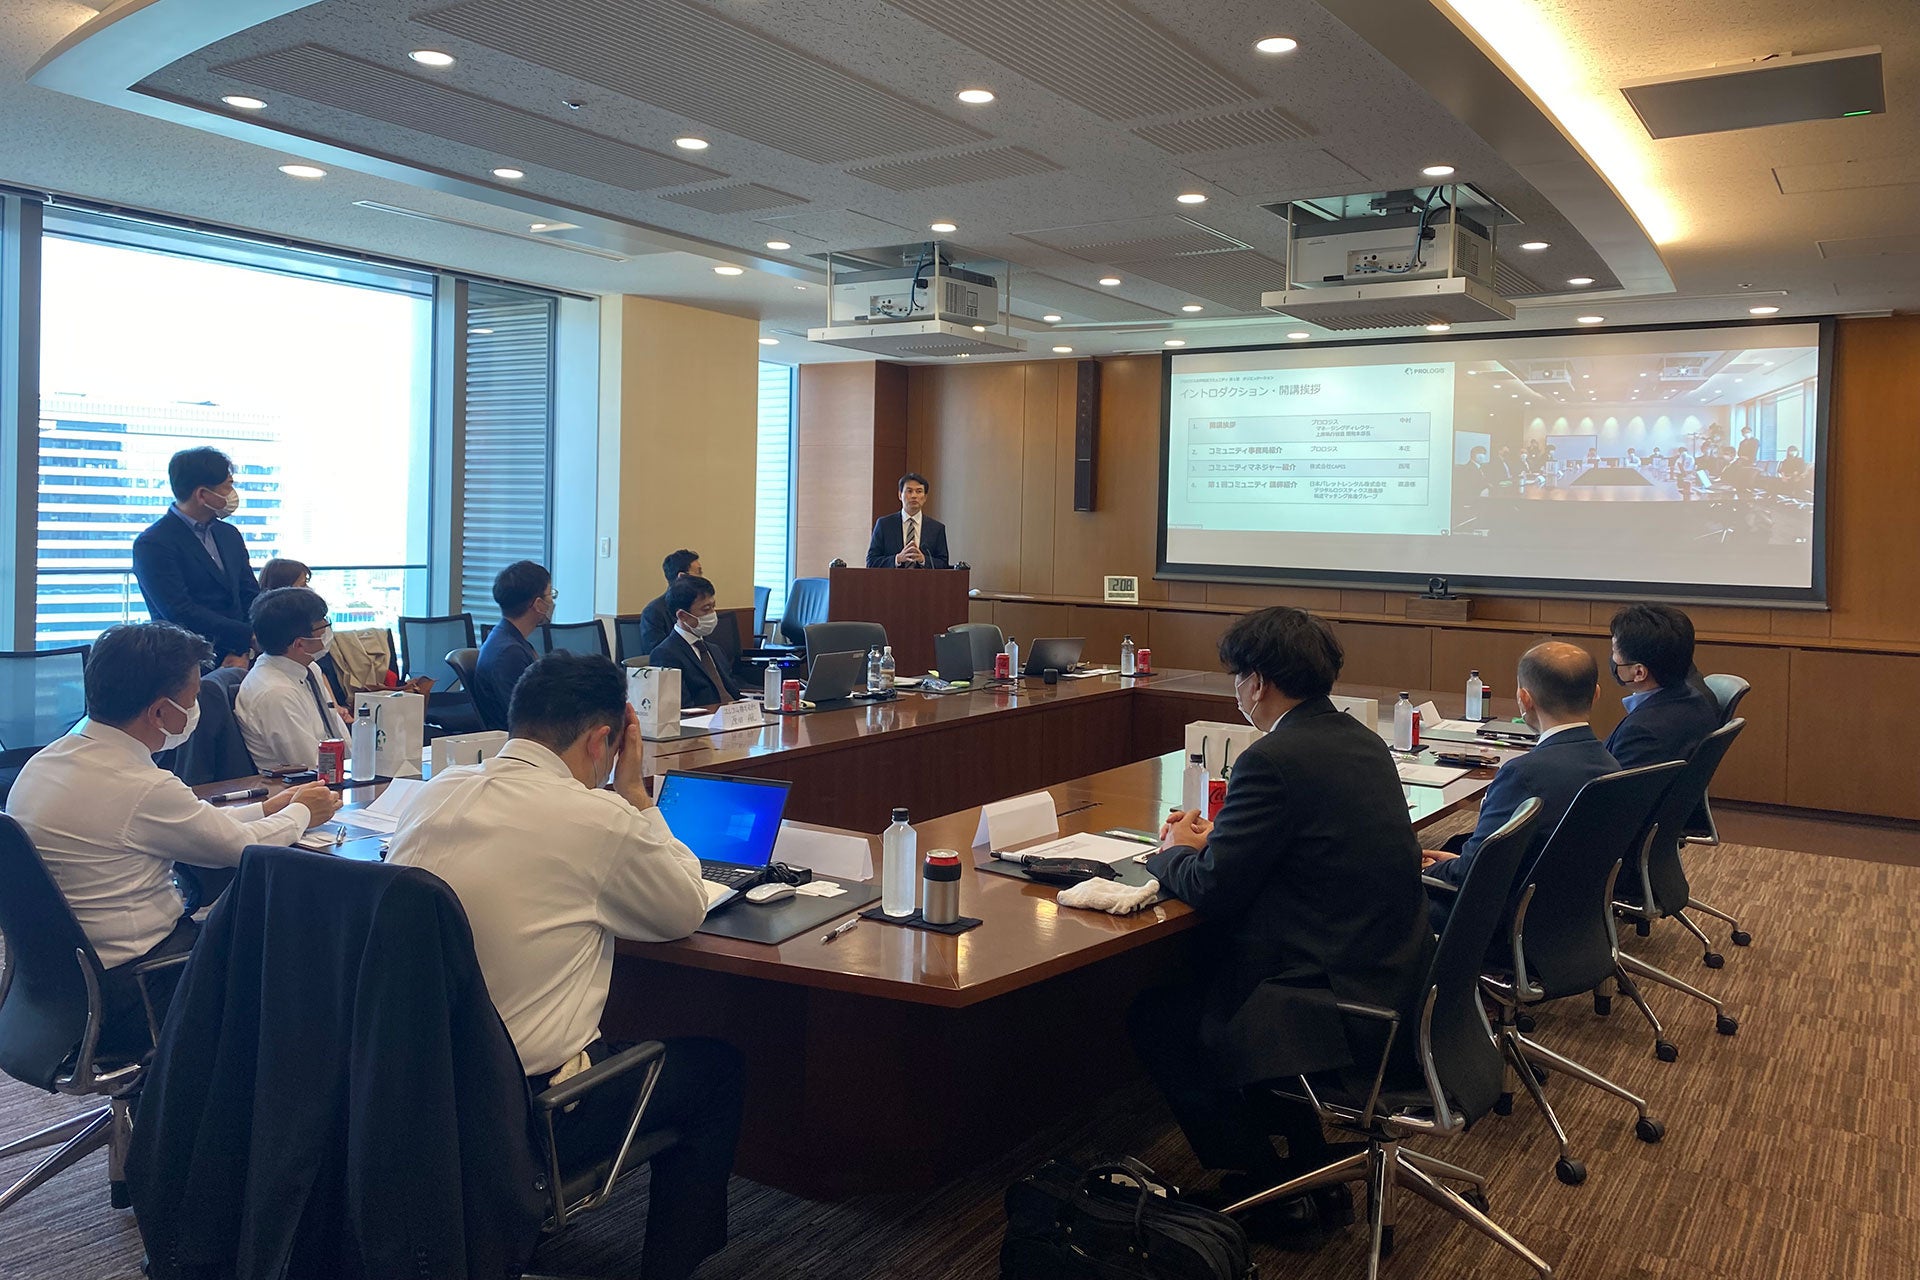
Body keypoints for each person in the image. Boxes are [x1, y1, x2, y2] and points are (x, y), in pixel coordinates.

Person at [387, 653, 743, 1280]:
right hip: (531, 1116)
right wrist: (636, 797)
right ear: (603, 740)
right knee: (716, 1069)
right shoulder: (597, 818)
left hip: (411, 1096)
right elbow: (684, 909)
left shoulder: (435, 792)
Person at [1130, 608, 1432, 1234]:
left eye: (1236, 677)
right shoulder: (1361, 740)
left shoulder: (1271, 759)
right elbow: (1306, 843)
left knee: (1160, 1015)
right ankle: (1306, 1165)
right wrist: (1218, 842)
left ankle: (1269, 1189)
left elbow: (1213, 890)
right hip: (1392, 970)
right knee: (1209, 975)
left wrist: (1172, 854)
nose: (1237, 691)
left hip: (1330, 996)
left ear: (1258, 681)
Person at [5, 621, 339, 1056]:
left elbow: (190, 824)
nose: (197, 708)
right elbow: (239, 849)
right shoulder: (141, 786)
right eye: (193, 697)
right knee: (296, 953)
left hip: (58, 983)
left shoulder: (49, 760)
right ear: (160, 712)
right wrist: (303, 812)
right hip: (140, 984)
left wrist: (267, 809)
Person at [1423, 643, 1617, 928]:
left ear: (1525, 699)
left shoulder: (1522, 775)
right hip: (1567, 915)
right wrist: (1459, 862)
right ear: (1596, 693)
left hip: (1504, 920)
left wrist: (1435, 869)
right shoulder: (1611, 764)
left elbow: (1470, 875)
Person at [130, 447, 261, 666]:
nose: (232, 493)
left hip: (246, 655)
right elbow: (179, 611)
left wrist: (248, 646)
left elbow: (249, 592)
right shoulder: (153, 543)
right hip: (188, 662)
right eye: (228, 485)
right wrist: (244, 638)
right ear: (202, 494)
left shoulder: (229, 534)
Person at [234, 587, 358, 772]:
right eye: (322, 626)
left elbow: (336, 728)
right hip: (301, 784)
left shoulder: (308, 667)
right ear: (300, 643)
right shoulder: (275, 693)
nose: (327, 627)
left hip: (340, 772)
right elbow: (309, 763)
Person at [1604, 604, 1722, 768]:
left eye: (1614, 651)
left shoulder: (1641, 733)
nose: (1612, 658)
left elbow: (1614, 783)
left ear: (1639, 672)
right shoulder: (1697, 699)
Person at [473, 560, 554, 733]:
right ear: (538, 604)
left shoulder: (506, 639)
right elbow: (527, 717)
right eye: (550, 595)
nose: (552, 602)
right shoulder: (509, 654)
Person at [647, 575, 740, 707]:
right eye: (706, 609)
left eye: (713, 607)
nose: (712, 614)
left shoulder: (715, 650)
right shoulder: (665, 654)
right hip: (704, 718)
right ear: (682, 615)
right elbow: (679, 707)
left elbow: (733, 691)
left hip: (732, 713)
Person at [865, 473, 950, 568]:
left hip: (924, 577)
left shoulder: (937, 528)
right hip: (892, 577)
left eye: (919, 491)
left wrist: (923, 560)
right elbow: (871, 562)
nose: (914, 496)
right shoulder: (884, 525)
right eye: (909, 491)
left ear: (925, 497)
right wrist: (897, 559)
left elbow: (944, 564)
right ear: (900, 495)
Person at [637, 549, 702, 655]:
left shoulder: (698, 607)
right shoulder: (654, 612)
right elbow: (657, 653)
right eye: (699, 572)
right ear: (682, 577)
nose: (701, 578)